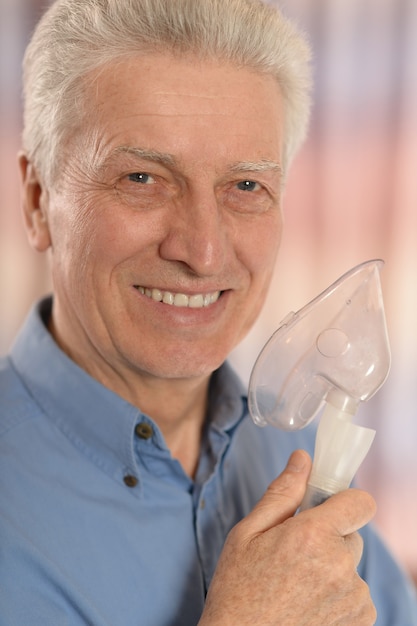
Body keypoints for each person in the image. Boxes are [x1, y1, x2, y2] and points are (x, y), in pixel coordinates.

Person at [0, 0, 416, 624]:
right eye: (142, 178)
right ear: (37, 202)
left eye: (246, 187)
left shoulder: (296, 461)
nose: (202, 250)